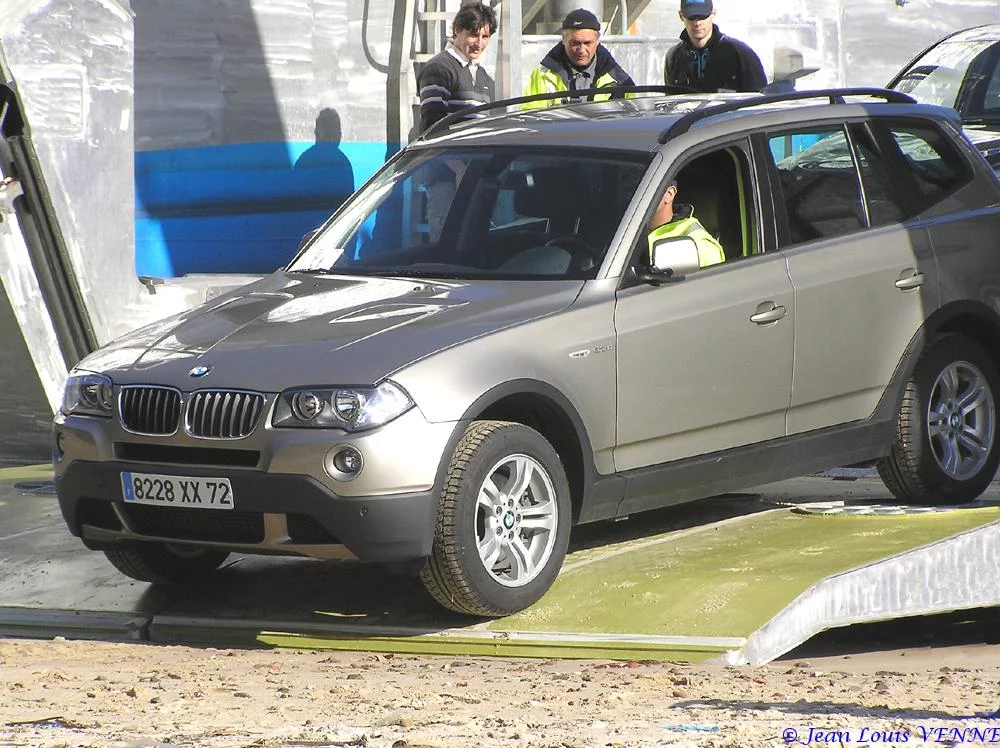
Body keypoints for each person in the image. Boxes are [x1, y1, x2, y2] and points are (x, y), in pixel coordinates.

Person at [522, 8, 635, 110]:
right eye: (575, 43)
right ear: (563, 40)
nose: (581, 50)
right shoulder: (542, 76)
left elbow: (631, 118)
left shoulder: (619, 80)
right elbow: (531, 119)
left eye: (587, 43)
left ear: (597, 41)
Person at [417, 2, 497, 134]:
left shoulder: (484, 77)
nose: (479, 44)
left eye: (485, 37)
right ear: (456, 30)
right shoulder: (439, 69)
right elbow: (433, 128)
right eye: (473, 35)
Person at [663, 0, 767, 93]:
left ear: (713, 13)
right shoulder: (673, 57)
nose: (697, 23)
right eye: (691, 17)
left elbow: (760, 101)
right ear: (681, 16)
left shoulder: (741, 54)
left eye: (703, 16)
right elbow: (670, 101)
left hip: (728, 114)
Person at [647, 180, 724, 268]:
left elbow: (710, 280)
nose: (631, 198)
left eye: (643, 192)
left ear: (669, 194)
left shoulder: (701, 245)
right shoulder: (632, 226)